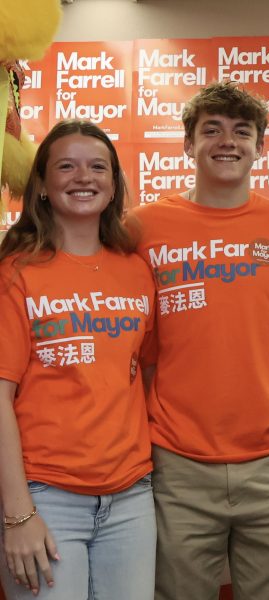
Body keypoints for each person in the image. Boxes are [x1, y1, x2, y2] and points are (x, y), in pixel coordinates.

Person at [128, 81, 269, 600]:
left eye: (241, 132)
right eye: (211, 130)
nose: (226, 142)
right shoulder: (140, 228)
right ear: (188, 145)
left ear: (260, 147)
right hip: (178, 458)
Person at [0, 120, 156, 599]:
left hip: (131, 498)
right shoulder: (16, 271)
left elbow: (140, 374)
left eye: (97, 167)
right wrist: (18, 514)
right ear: (42, 186)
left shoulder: (135, 269)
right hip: (45, 497)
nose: (82, 177)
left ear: (113, 187)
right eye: (65, 166)